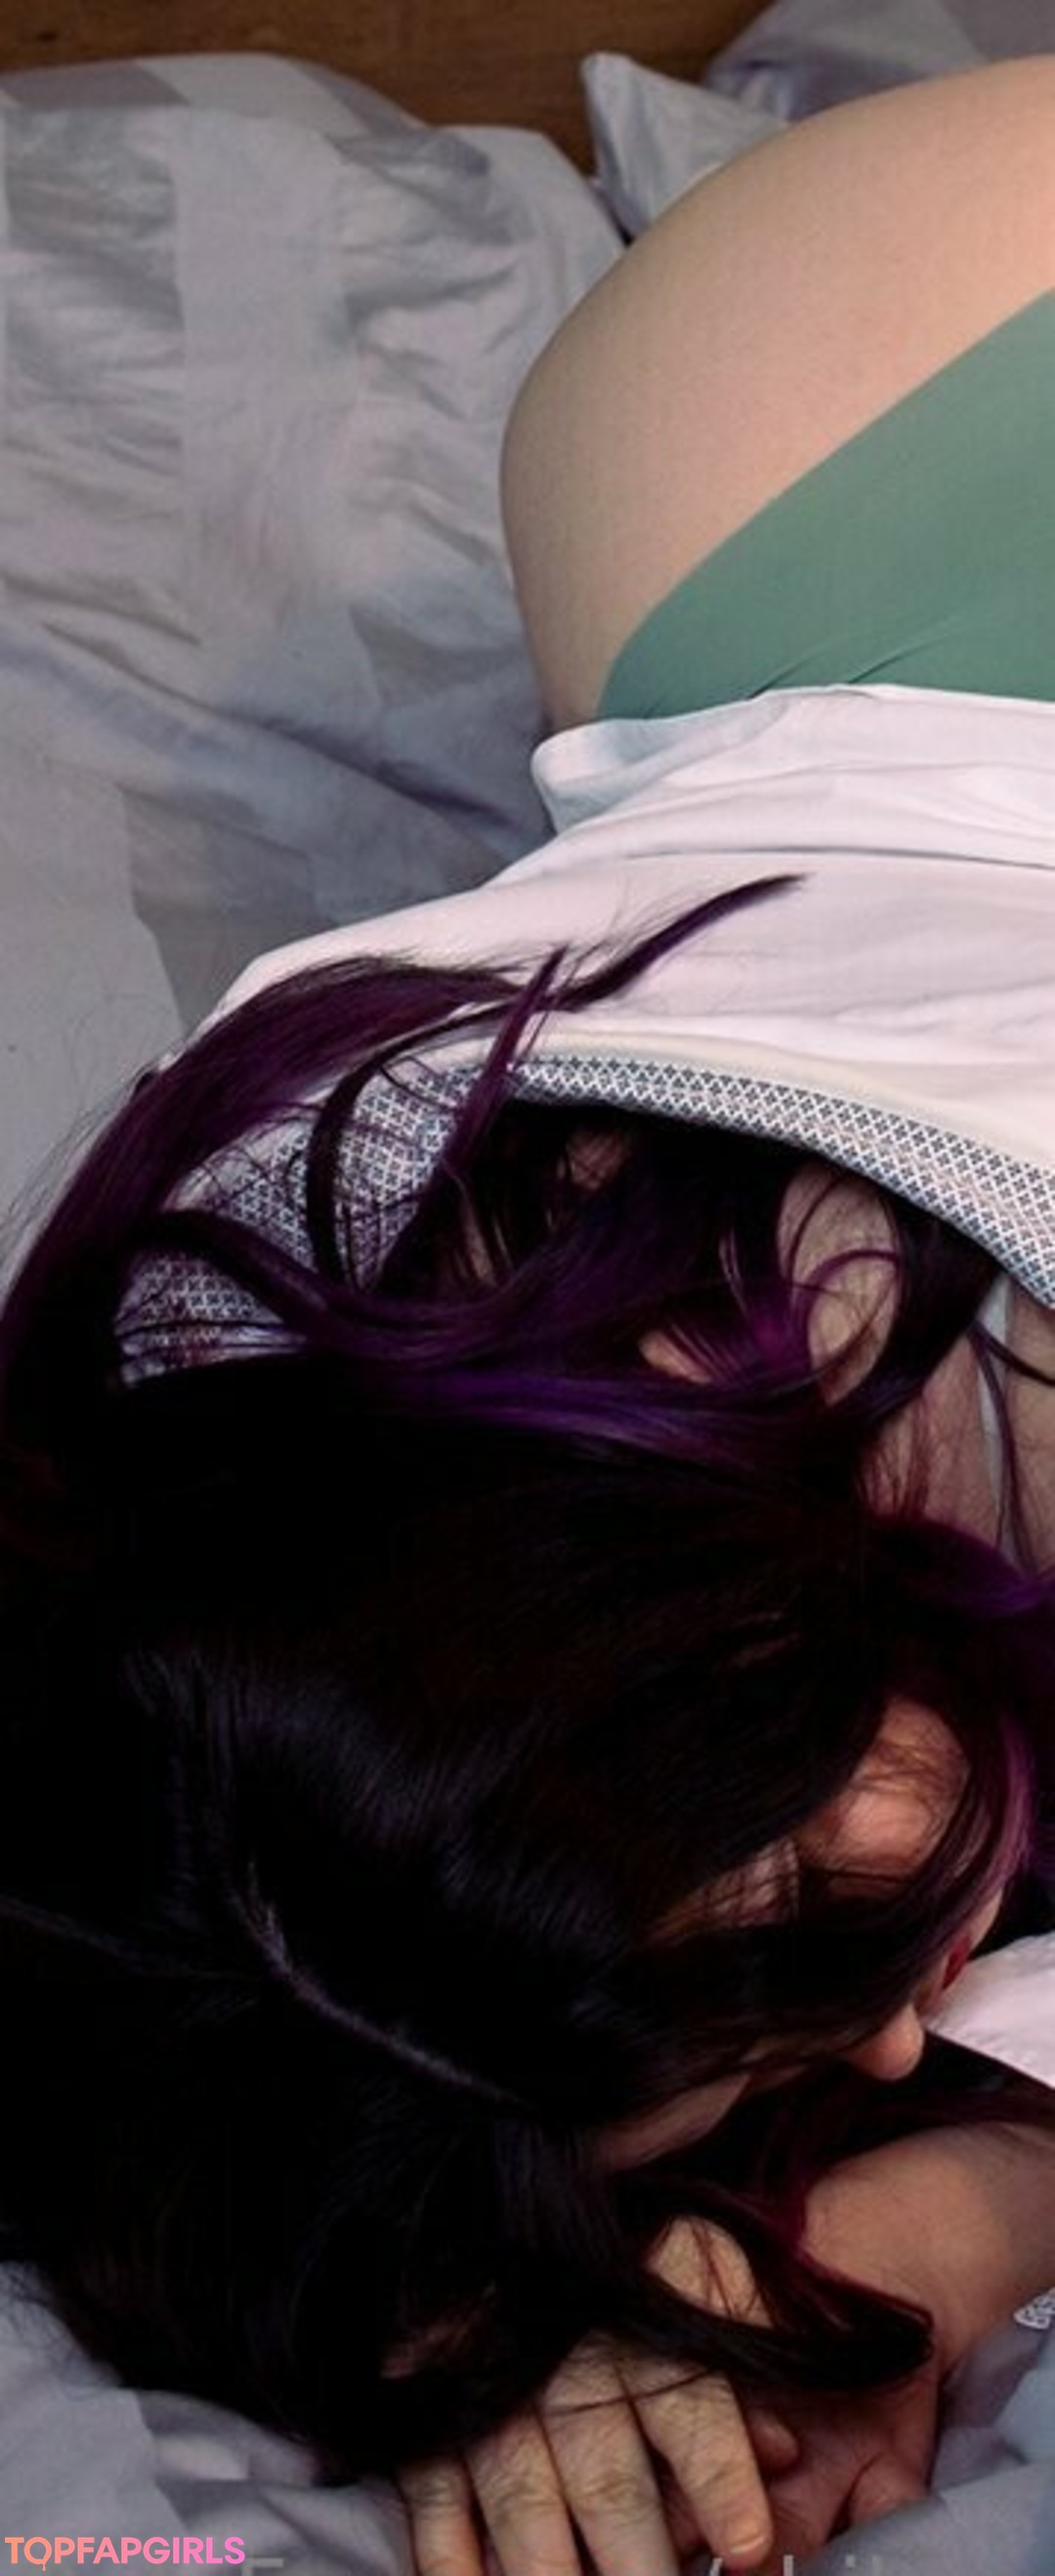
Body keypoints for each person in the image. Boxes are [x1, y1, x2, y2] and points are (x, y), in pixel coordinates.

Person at [0, 49, 1054, 2576]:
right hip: (747, 502)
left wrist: (944, 2212)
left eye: (795, 1954)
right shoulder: (203, 1492)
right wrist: (583, 2256)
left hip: (895, 421)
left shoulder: (1005, 1382)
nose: (894, 2031)